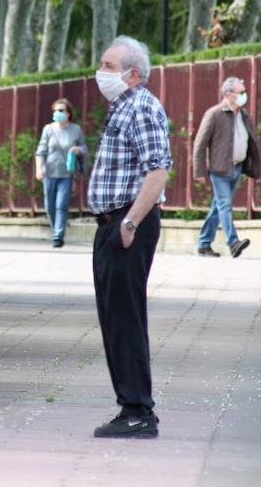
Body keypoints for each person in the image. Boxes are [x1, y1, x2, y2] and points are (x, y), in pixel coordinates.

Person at [86, 36, 172, 439]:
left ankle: (138, 411)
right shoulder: (123, 108)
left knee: (125, 319)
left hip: (127, 224)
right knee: (114, 319)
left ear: (132, 73)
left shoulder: (142, 107)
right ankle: (130, 406)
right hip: (112, 223)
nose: (100, 72)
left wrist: (131, 223)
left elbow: (159, 170)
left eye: (108, 65)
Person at [190, 77, 261, 258]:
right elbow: (200, 143)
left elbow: (252, 142)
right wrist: (198, 171)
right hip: (219, 169)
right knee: (225, 204)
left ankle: (204, 244)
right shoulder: (214, 114)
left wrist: (255, 168)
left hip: (237, 168)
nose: (245, 95)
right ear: (229, 94)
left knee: (218, 207)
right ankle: (233, 242)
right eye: (241, 92)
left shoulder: (244, 115)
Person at [33, 97, 89, 248]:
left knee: (61, 205)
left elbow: (84, 149)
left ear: (68, 113)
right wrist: (39, 168)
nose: (58, 113)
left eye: (61, 110)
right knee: (49, 206)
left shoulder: (76, 130)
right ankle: (56, 228)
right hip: (49, 173)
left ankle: (58, 235)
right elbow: (40, 151)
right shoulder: (48, 129)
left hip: (67, 174)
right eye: (55, 110)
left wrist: (78, 150)